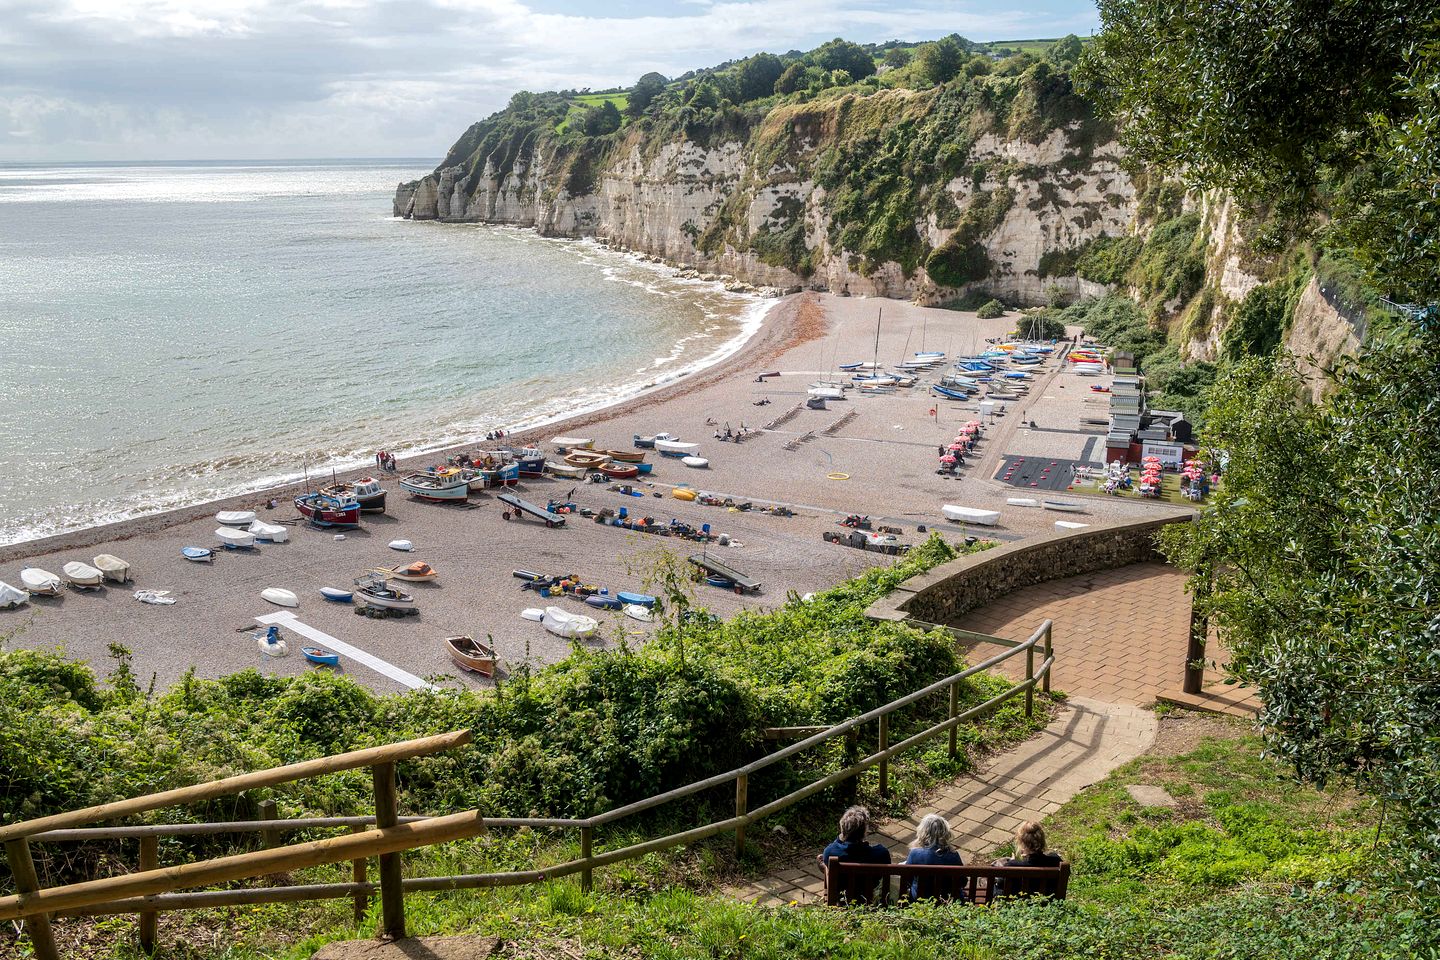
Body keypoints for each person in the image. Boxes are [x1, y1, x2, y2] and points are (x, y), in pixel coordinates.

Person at [818, 805, 891, 902]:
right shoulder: (881, 853)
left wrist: (840, 838)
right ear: (864, 832)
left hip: (842, 899)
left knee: (822, 860)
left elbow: (835, 846)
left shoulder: (830, 852)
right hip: (868, 899)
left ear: (843, 829)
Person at [990, 820, 1063, 899]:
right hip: (1046, 903)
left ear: (1022, 844)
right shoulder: (1056, 861)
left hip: (1018, 904)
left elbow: (1000, 883)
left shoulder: (1012, 866)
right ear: (1042, 841)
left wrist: (1012, 862)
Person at [903, 814, 963, 901]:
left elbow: (907, 879)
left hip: (920, 901)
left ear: (922, 832)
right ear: (945, 833)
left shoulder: (915, 854)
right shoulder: (953, 855)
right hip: (947, 901)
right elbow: (962, 881)